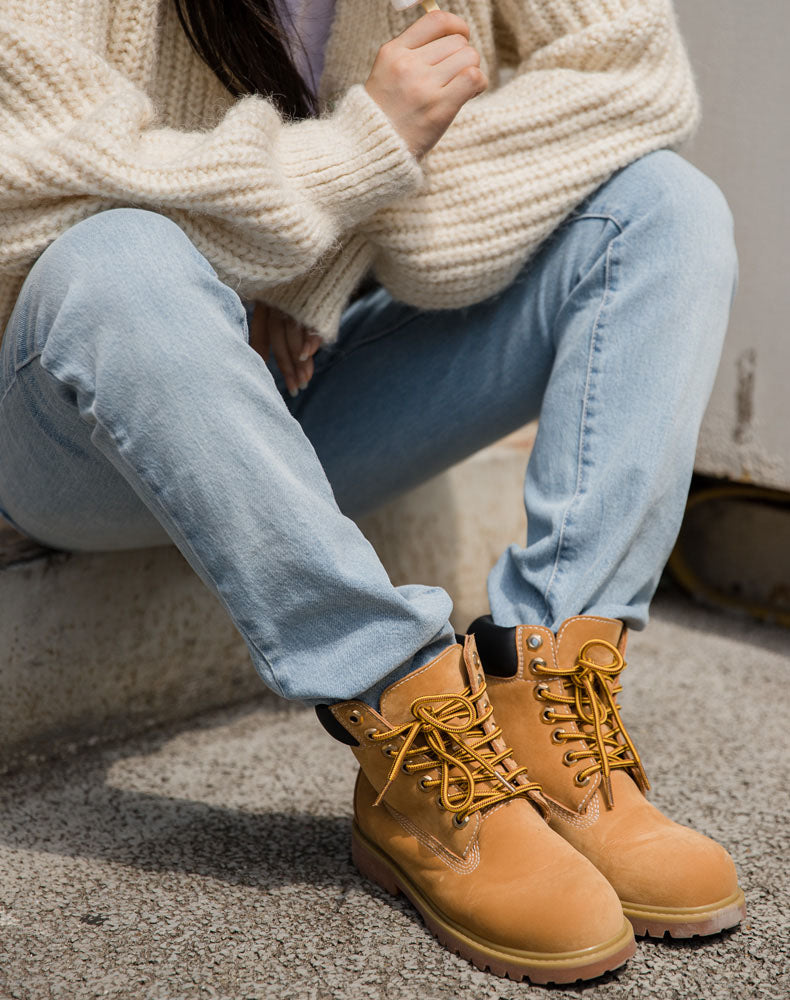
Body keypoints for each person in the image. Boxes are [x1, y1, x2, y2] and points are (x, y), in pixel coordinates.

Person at [0, 0, 744, 985]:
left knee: (660, 206)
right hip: (79, 426)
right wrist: (365, 148)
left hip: (312, 390)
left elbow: (636, 79)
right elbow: (35, 178)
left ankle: (546, 702)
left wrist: (316, 264)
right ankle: (407, 722)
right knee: (118, 263)